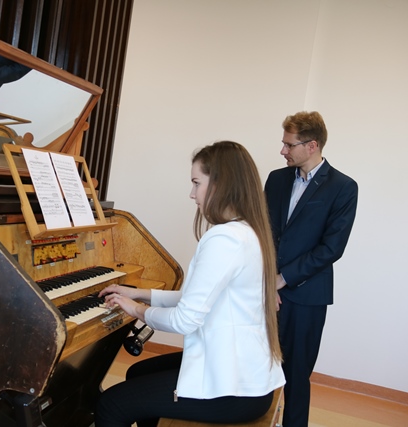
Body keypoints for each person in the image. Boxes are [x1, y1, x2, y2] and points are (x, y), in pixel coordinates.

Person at [95, 141, 285, 427]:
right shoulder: (247, 231)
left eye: (197, 183)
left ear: (220, 184)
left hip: (235, 391)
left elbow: (184, 320)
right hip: (246, 376)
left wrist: (135, 309)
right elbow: (197, 298)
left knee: (111, 405)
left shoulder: (225, 239)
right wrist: (139, 294)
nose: (192, 194)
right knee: (137, 374)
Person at [264, 111, 358, 427]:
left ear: (312, 145)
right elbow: (263, 232)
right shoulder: (276, 179)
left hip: (306, 298)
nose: (283, 151)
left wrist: (283, 279)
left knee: (296, 376)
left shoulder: (343, 187)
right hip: (266, 291)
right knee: (256, 367)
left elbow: (332, 248)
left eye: (289, 145)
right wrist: (267, 281)